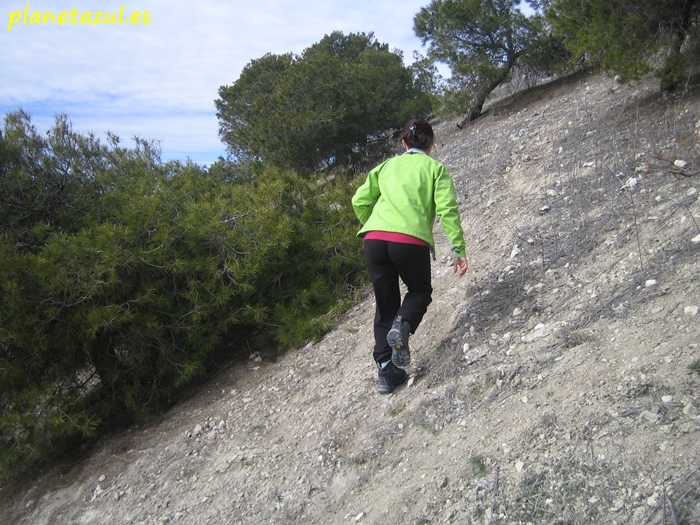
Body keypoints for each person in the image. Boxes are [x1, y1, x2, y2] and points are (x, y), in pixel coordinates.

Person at [352, 119, 468, 394]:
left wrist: (373, 224)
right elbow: (447, 210)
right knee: (419, 291)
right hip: (409, 240)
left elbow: (358, 199)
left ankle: (386, 372)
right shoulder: (435, 169)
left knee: (384, 303)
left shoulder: (386, 166)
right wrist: (458, 251)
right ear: (431, 143)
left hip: (374, 240)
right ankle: (403, 325)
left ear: (403, 143)